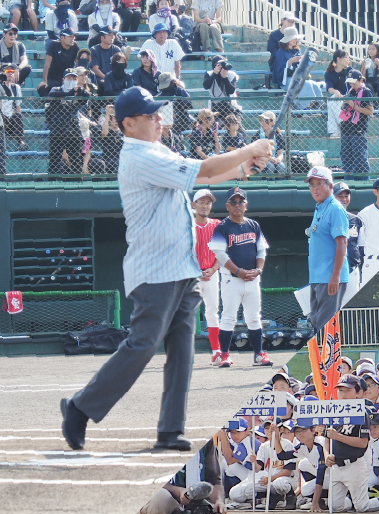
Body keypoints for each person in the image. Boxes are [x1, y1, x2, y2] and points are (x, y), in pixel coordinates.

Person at [59, 86, 273, 452]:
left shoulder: (157, 150)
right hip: (154, 270)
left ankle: (170, 430)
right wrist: (249, 150)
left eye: (158, 113)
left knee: (182, 352)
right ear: (129, 123)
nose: (160, 118)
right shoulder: (138, 155)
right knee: (143, 344)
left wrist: (242, 166)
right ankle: (80, 407)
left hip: (181, 268)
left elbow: (203, 178)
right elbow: (203, 168)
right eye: (150, 115)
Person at [134, 438, 238, 514]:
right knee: (160, 498)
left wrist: (219, 501)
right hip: (158, 507)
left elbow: (215, 481)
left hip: (192, 509)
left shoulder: (206, 442)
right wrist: (179, 492)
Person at [207, 187, 273, 369]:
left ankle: (259, 354)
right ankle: (225, 355)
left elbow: (261, 250)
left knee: (254, 317)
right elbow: (220, 254)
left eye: (240, 201)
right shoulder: (222, 227)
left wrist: (258, 270)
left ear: (246, 205)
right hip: (231, 278)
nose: (237, 205)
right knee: (228, 317)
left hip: (252, 277)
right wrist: (238, 272)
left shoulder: (253, 225)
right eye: (233, 202)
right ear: (227, 205)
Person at [305, 166, 349, 332]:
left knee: (326, 327)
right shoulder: (320, 207)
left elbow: (342, 243)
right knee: (317, 323)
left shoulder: (335, 208)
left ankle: (330, 359)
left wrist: (335, 276)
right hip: (317, 276)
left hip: (329, 277)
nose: (315, 188)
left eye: (319, 184)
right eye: (312, 185)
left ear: (330, 186)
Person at [324, 374, 371, 512]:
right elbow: (326, 439)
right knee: (334, 507)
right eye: (341, 390)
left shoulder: (362, 412)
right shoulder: (332, 411)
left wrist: (337, 436)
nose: (343, 394)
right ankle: (352, 500)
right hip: (336, 466)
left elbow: (363, 443)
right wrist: (327, 455)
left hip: (354, 464)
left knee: (362, 508)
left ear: (357, 393)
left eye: (348, 390)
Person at [191, 188, 222, 365]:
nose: (205, 205)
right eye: (201, 202)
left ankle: (217, 351)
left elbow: (221, 252)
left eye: (208, 202)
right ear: (194, 205)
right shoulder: (187, 226)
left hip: (211, 274)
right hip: (191, 276)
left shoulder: (217, 225)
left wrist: (214, 269)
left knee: (212, 312)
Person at [47, 68, 90, 175]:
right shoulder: (57, 89)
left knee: (76, 160)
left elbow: (87, 97)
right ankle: (52, 183)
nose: (71, 80)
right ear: (63, 79)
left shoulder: (77, 92)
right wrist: (68, 93)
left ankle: (76, 183)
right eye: (69, 78)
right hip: (58, 130)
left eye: (74, 78)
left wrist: (81, 91)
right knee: (54, 161)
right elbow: (52, 94)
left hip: (73, 130)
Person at [273, 27, 322, 108]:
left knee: (314, 85)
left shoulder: (297, 51)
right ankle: (305, 107)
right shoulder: (280, 53)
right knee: (305, 84)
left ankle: (316, 106)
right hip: (286, 79)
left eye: (296, 38)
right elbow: (279, 71)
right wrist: (290, 62)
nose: (296, 40)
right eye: (293, 38)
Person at [339, 69, 374, 181]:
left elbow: (370, 111)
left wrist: (354, 106)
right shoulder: (350, 91)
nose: (352, 84)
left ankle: (363, 182)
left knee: (360, 158)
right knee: (346, 157)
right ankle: (348, 181)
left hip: (358, 129)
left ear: (360, 80)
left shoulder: (366, 91)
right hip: (346, 128)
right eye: (350, 82)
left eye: (354, 82)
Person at [332, 181, 363, 304]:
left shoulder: (356, 220)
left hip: (353, 271)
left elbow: (361, 247)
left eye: (346, 196)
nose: (344, 199)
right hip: (332, 271)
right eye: (340, 196)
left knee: (351, 310)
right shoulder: (325, 218)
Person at [38, 27, 79, 97]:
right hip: (52, 78)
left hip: (68, 78)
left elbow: (78, 65)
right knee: (42, 88)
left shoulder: (75, 47)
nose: (73, 38)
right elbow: (47, 64)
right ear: (62, 38)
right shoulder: (54, 45)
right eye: (70, 36)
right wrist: (45, 81)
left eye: (74, 36)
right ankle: (49, 106)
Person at [324, 48, 351, 138]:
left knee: (331, 102)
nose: (348, 59)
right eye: (346, 57)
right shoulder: (329, 73)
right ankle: (336, 130)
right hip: (338, 98)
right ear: (338, 59)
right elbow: (329, 89)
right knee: (331, 100)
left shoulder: (350, 71)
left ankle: (342, 125)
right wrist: (336, 91)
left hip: (349, 96)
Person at [202, 55, 240, 119]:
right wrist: (214, 73)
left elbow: (231, 91)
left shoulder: (231, 74)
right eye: (219, 66)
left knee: (237, 126)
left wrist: (225, 78)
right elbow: (206, 86)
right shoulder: (209, 74)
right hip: (215, 108)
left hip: (231, 108)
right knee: (215, 125)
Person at [251, 110, 285, 175]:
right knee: (270, 167)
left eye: (266, 121)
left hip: (274, 159)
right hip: (261, 160)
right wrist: (269, 158)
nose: (262, 123)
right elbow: (256, 154)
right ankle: (267, 184)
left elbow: (280, 153)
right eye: (261, 120)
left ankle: (280, 185)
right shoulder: (257, 135)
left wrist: (278, 159)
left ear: (272, 123)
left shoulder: (278, 135)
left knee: (281, 167)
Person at [1, 64, 26, 150]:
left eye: (12, 71)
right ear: (2, 72)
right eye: (7, 71)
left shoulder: (16, 88)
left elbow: (18, 106)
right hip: (1, 117)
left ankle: (20, 142)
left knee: (17, 115)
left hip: (10, 120)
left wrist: (21, 125)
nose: (10, 73)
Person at [266, 12, 296, 80]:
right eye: (289, 21)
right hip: (278, 64)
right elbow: (273, 53)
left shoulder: (293, 36)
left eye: (292, 22)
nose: (291, 23)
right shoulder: (274, 35)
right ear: (282, 20)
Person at [95, 103, 123, 173]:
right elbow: (104, 133)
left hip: (121, 160)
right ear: (111, 119)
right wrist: (107, 114)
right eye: (115, 119)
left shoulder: (123, 132)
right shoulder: (107, 130)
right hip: (108, 159)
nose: (117, 121)